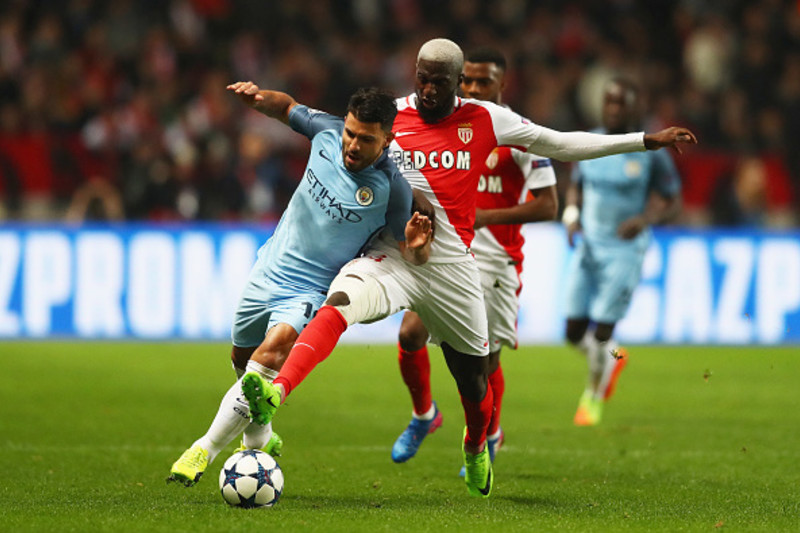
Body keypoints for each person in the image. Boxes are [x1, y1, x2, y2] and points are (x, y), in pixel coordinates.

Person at [238, 38, 696, 498]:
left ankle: (477, 446)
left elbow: (560, 143)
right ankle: (278, 390)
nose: (428, 89)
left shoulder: (486, 118)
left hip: (452, 265)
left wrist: (644, 141)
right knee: (337, 304)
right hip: (395, 253)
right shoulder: (393, 116)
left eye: (439, 81)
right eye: (422, 78)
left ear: (458, 83)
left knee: (473, 377)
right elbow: (332, 132)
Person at [166, 84, 433, 486]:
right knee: (244, 362)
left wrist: (416, 248)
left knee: (270, 357)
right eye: (351, 133)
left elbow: (406, 257)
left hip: (310, 291)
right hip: (269, 268)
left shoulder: (392, 189)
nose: (353, 145)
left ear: (387, 139)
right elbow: (286, 107)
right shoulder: (325, 131)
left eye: (366, 138)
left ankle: (202, 449)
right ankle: (261, 437)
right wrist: (258, 98)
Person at [389, 47, 559, 475]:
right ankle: (425, 414)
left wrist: (486, 217)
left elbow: (548, 206)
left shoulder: (518, 134)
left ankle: (488, 436)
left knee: (486, 363)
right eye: (469, 82)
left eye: (485, 82)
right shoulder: (451, 122)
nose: (475, 89)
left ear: (503, 85)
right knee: (410, 334)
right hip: (446, 252)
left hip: (497, 257)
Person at [562, 78, 683, 426]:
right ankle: (614, 359)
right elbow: (577, 187)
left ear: (634, 108)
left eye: (620, 103)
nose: (613, 108)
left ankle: (593, 395)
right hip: (588, 244)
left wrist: (645, 219)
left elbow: (674, 201)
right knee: (572, 331)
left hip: (624, 250)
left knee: (602, 331)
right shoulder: (591, 142)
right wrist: (571, 215)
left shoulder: (649, 150)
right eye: (609, 101)